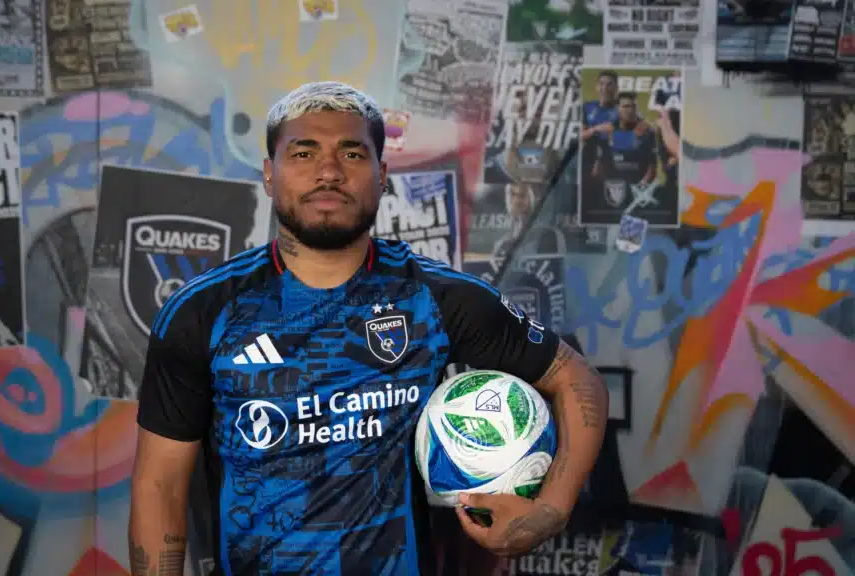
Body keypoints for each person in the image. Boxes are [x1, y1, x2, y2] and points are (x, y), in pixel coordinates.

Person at [129, 81, 608, 576]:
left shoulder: (432, 298)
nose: (329, 171)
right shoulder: (204, 313)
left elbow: (575, 377)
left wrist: (551, 511)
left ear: (381, 176)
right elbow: (160, 486)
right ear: (270, 174)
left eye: (352, 153)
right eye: (304, 153)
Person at [591, 93, 657, 212]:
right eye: (626, 107)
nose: (630, 110)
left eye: (633, 106)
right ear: (618, 109)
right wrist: (606, 187)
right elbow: (597, 170)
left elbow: (652, 169)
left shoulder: (648, 132)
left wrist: (642, 187)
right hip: (611, 191)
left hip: (638, 193)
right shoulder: (606, 131)